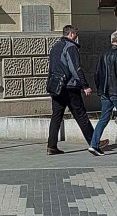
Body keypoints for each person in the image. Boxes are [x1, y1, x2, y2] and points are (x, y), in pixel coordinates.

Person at [46, 25, 108, 155]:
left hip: (56, 86)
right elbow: (75, 68)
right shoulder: (71, 47)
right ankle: (93, 142)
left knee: (56, 116)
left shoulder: (55, 47)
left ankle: (51, 146)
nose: (77, 36)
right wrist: (84, 85)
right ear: (71, 34)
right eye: (76, 34)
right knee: (81, 115)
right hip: (69, 86)